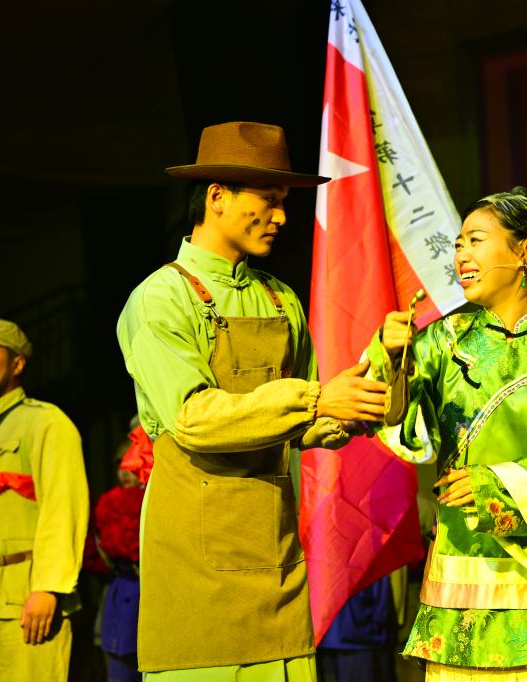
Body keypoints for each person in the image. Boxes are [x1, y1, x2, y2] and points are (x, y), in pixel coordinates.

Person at [116, 121, 389, 679]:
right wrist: (318, 401)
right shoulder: (161, 298)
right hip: (196, 565)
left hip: (277, 560)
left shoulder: (279, 299)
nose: (282, 217)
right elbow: (194, 419)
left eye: (284, 202)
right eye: (269, 200)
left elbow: (307, 423)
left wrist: (366, 391)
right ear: (217, 197)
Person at [374, 187, 527, 680]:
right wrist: (391, 358)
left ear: (526, 251)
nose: (462, 254)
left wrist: (494, 488)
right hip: (461, 564)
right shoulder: (441, 342)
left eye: (476, 240)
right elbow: (401, 427)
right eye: (458, 243)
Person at [0, 317, 89, 681]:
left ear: (17, 363)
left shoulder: (45, 423)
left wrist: (49, 587)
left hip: (21, 602)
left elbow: (63, 508)